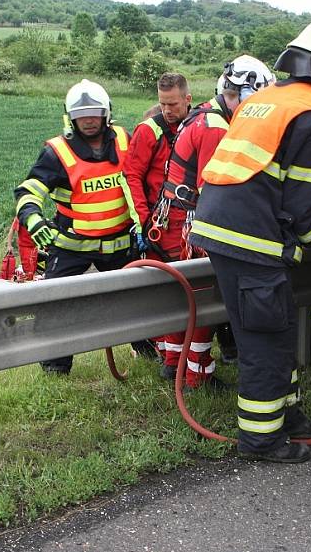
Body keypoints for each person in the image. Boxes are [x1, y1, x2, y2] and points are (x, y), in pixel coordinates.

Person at [189, 16, 311, 463]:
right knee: (265, 341)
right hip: (251, 237)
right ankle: (261, 439)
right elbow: (301, 210)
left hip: (222, 225)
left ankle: (291, 416)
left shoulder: (264, 99)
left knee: (279, 326)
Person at [151, 55, 275, 389]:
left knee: (185, 293)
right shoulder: (216, 128)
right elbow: (215, 188)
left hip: (175, 218)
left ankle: (173, 362)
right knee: (203, 298)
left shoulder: (206, 113)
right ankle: (196, 375)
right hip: (190, 224)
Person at [14, 79, 133, 375]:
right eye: (82, 115)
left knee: (137, 298)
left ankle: (148, 349)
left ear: (106, 114)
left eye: (94, 114)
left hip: (120, 244)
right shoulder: (57, 152)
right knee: (56, 304)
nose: (88, 120)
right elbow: (27, 191)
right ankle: (56, 367)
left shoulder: (124, 140)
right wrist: (34, 220)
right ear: (70, 117)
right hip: (72, 246)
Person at [122, 73, 192, 371]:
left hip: (189, 222)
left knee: (193, 286)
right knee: (165, 290)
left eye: (173, 104)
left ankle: (188, 353)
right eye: (162, 103)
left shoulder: (198, 124)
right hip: (158, 226)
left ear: (187, 99)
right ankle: (168, 357)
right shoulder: (149, 131)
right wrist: (141, 220)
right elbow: (131, 175)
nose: (167, 109)